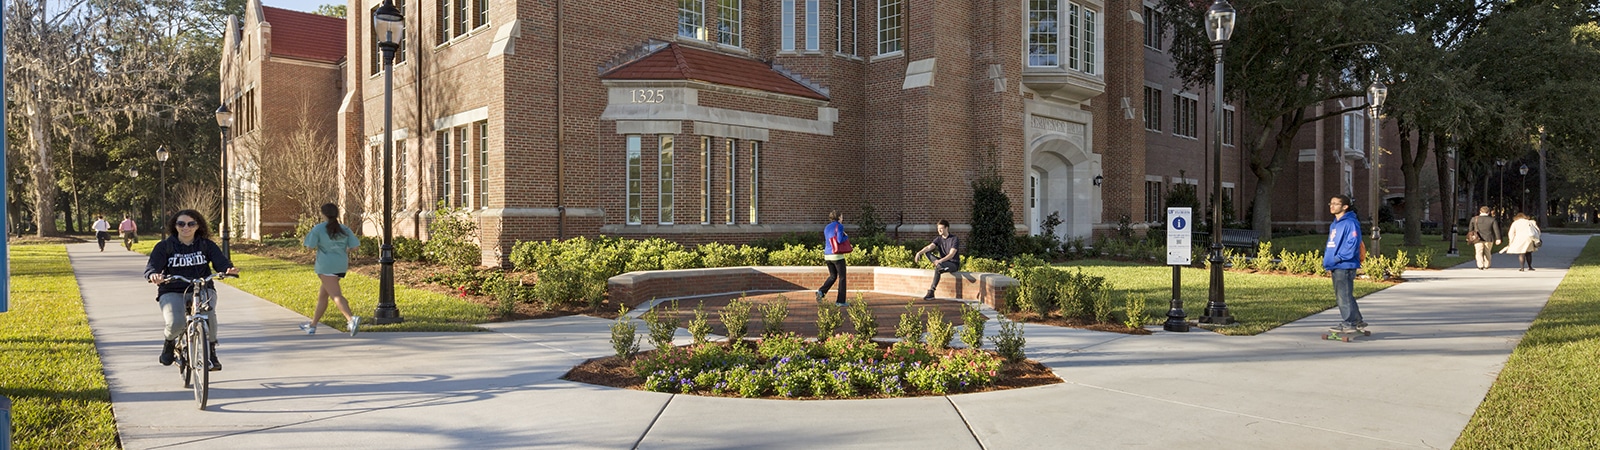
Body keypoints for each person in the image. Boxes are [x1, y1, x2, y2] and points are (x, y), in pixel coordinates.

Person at [145, 209, 239, 371]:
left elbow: (221, 262)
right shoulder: (165, 246)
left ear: (198, 226)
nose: (185, 227)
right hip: (172, 289)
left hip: (202, 286)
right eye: (181, 224)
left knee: (208, 314)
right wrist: (154, 275)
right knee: (176, 322)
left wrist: (228, 269)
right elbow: (152, 267)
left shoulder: (206, 245)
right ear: (175, 226)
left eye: (191, 224)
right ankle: (169, 343)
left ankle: (211, 352)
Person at [301, 203, 363, 336]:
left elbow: (309, 247)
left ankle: (351, 319)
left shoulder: (318, 229)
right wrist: (344, 249)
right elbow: (355, 246)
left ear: (323, 214)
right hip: (340, 265)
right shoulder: (344, 229)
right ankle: (312, 325)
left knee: (335, 295)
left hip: (326, 266)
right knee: (323, 295)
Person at [1323, 195, 1366, 333]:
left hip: (1345, 265)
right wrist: (1329, 263)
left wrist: (1338, 258)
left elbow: (1352, 243)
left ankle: (1349, 323)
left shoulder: (1350, 223)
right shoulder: (1335, 223)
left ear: (1345, 207)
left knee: (1343, 296)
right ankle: (1357, 320)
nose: (1332, 206)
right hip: (1336, 265)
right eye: (1331, 203)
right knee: (1345, 294)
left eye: (1336, 204)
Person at [914, 219, 961, 300]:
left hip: (953, 264)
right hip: (942, 263)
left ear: (946, 228)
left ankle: (931, 291)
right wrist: (919, 253)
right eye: (938, 228)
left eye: (941, 228)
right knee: (927, 252)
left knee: (938, 268)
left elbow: (951, 254)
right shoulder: (938, 239)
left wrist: (940, 261)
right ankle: (940, 267)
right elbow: (929, 247)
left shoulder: (954, 239)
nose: (939, 230)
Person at [816, 210, 849, 306]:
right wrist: (846, 237)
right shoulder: (839, 226)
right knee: (842, 277)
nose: (842, 219)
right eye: (842, 217)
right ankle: (840, 301)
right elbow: (839, 240)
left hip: (827, 255)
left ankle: (821, 292)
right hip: (837, 256)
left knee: (832, 276)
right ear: (838, 217)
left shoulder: (826, 227)